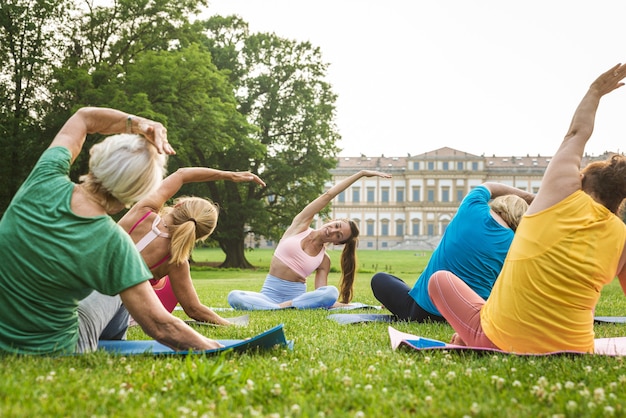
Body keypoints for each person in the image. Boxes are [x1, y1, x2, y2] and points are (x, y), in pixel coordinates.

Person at [428, 63, 626, 354]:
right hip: (575, 347)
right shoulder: (621, 238)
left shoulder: (559, 196)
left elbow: (575, 134)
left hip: (500, 340)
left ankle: (470, 334)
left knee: (440, 280)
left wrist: (595, 91)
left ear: (580, 180)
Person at [0, 107, 223, 355]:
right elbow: (161, 326)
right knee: (118, 291)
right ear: (136, 194)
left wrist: (140, 124)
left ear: (96, 156)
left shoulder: (43, 178)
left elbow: (84, 117)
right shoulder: (115, 244)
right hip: (53, 350)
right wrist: (219, 348)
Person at [118, 167, 265, 326]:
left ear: (178, 205)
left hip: (90, 283)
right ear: (200, 236)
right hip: (114, 312)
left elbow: (181, 174)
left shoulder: (143, 211)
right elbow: (194, 309)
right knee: (169, 285)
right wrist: (230, 324)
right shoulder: (176, 262)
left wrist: (228, 175)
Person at [228, 170, 391, 310]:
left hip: (296, 299)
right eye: (337, 225)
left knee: (330, 292)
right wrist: (360, 174)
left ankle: (282, 308)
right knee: (234, 296)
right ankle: (277, 309)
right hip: (267, 297)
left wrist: (369, 306)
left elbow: (325, 299)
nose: (333, 231)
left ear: (336, 243)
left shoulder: (323, 260)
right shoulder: (300, 226)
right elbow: (328, 196)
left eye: (338, 235)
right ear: (332, 221)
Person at [371, 182, 533, 322]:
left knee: (380, 279)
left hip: (423, 310)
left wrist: (529, 197)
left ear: (499, 204)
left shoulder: (472, 207)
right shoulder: (515, 243)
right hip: (468, 317)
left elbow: (489, 186)